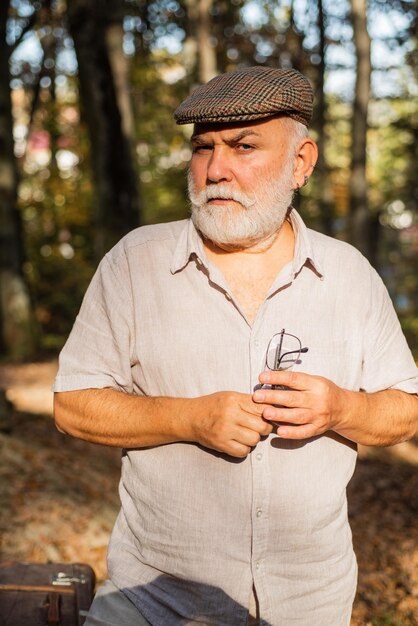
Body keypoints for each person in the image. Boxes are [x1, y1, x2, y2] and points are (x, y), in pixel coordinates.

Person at [53, 66, 418, 626]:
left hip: (309, 603)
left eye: (244, 146)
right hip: (155, 601)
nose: (215, 169)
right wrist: (190, 417)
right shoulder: (135, 262)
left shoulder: (350, 274)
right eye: (204, 149)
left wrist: (346, 408)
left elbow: (407, 407)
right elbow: (73, 404)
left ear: (301, 163)